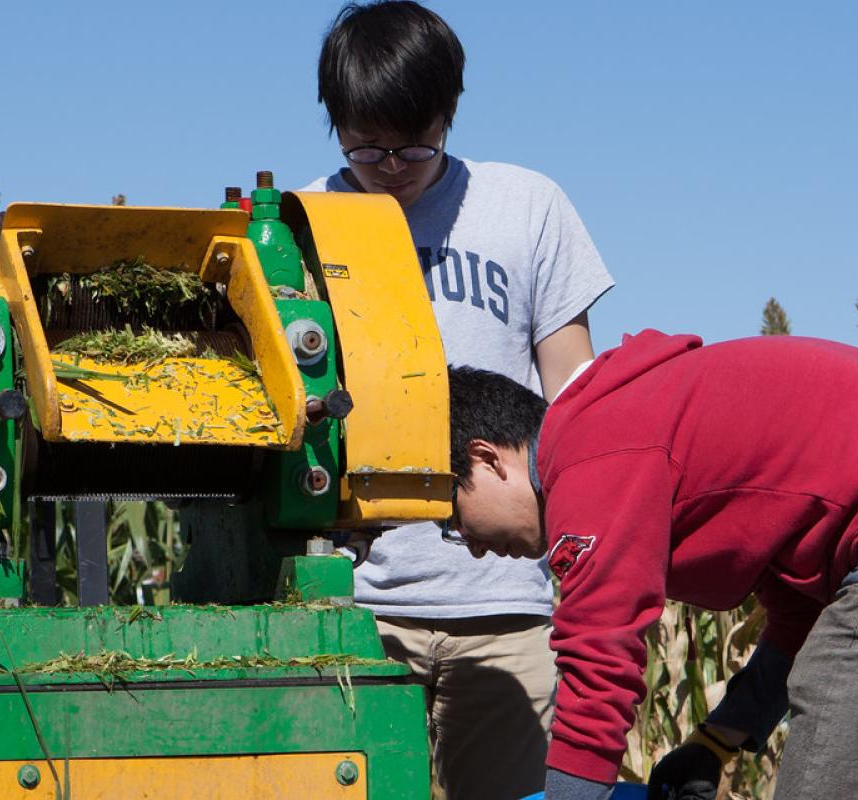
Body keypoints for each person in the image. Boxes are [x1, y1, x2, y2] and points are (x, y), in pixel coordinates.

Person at [439, 332, 858, 800]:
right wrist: (716, 741)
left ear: (487, 458)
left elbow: (598, 662)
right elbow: (802, 612)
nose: (468, 543)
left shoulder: (590, 452)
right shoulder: (646, 418)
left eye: (452, 513)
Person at [303, 3, 615, 798]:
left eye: (415, 145)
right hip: (355, 611)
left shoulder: (527, 207)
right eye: (365, 147)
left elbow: (578, 405)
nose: (391, 166)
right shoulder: (300, 227)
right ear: (334, 123)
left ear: (450, 112)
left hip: (507, 608)